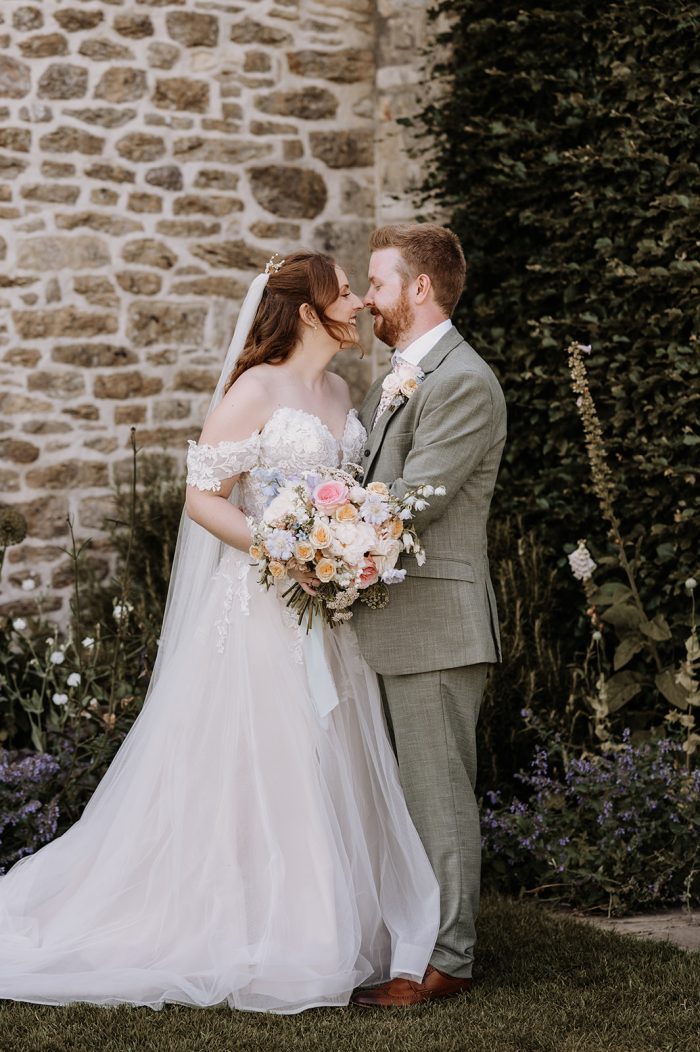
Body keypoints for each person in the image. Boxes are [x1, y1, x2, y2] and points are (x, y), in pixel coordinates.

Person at [0, 252, 439, 1014]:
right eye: (345, 294)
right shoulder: (256, 389)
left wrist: (344, 552)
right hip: (260, 608)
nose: (361, 306)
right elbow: (203, 498)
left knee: (324, 755)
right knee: (259, 760)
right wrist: (285, 551)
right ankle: (246, 924)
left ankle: (322, 920)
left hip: (325, 615)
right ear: (309, 311)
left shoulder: (341, 389)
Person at [350, 224, 507, 1007]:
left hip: (437, 624)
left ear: (419, 288)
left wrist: (320, 539)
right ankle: (413, 938)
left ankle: (449, 959)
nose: (367, 297)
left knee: (438, 797)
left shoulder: (462, 380)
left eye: (377, 283)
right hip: (391, 621)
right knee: (405, 797)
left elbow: (417, 499)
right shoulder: (405, 373)